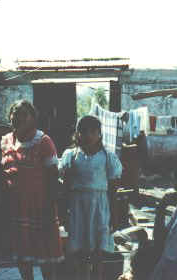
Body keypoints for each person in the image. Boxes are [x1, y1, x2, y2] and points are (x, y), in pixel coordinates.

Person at [0, 100, 63, 280]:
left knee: (45, 256)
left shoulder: (44, 142)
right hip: (16, 208)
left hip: (40, 207)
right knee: (22, 255)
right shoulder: (5, 141)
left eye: (23, 114)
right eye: (14, 113)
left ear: (33, 118)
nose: (17, 117)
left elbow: (52, 178)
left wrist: (50, 207)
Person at [59, 115, 122, 280]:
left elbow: (113, 190)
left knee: (98, 251)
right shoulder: (71, 156)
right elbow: (65, 188)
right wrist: (63, 212)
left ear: (99, 134)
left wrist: (114, 215)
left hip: (100, 206)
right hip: (78, 207)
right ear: (77, 134)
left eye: (93, 131)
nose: (88, 135)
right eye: (83, 131)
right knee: (79, 250)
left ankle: (98, 276)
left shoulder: (107, 157)